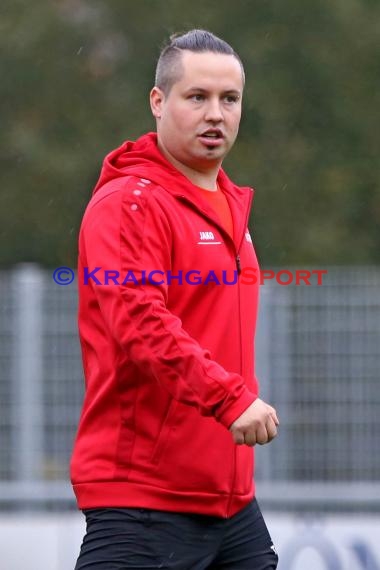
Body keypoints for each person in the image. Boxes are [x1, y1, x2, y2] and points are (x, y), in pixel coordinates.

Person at [71, 29, 279, 570]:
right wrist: (229, 398)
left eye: (229, 99)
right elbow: (140, 323)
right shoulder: (130, 202)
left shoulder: (228, 202)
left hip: (229, 501)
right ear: (158, 103)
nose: (216, 114)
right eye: (197, 97)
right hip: (146, 501)